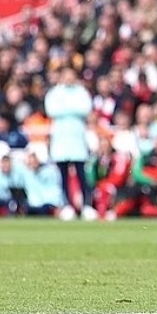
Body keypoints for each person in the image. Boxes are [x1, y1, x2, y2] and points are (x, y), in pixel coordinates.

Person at [44, 67, 95, 220]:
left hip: (77, 138)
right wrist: (72, 108)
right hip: (61, 139)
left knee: (81, 175)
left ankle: (87, 205)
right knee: (63, 175)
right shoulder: (55, 93)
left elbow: (85, 109)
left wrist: (65, 108)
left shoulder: (81, 92)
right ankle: (66, 205)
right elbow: (52, 110)